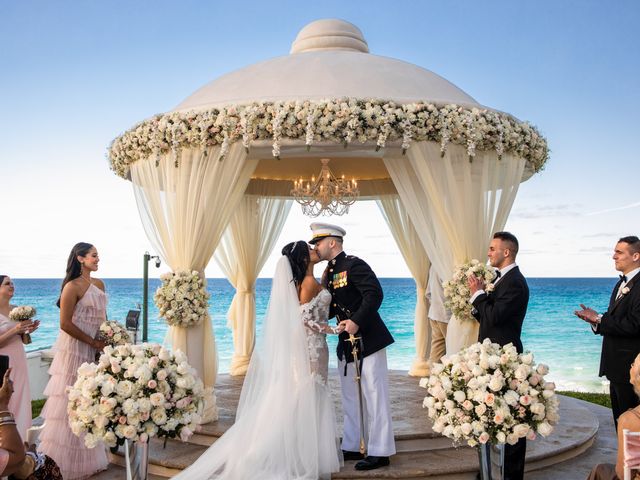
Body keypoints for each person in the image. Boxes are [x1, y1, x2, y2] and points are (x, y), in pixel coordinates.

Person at [172, 240, 342, 479]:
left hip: (310, 347)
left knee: (306, 394)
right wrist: (333, 330)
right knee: (308, 393)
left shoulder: (306, 282)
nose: (315, 251)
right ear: (304, 259)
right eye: (310, 250)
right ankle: (290, 452)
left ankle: (297, 449)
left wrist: (325, 282)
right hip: (312, 348)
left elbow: (309, 308)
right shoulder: (308, 282)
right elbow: (304, 319)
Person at [310, 222, 396, 471]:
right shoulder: (330, 271)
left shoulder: (354, 264)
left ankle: (380, 451)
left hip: (368, 339)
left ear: (333, 242)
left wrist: (357, 321)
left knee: (375, 395)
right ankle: (352, 444)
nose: (316, 246)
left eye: (319, 242)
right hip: (346, 343)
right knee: (350, 396)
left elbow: (374, 294)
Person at [38, 242, 108, 479]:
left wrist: (106, 340)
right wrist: (92, 342)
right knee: (70, 403)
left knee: (90, 402)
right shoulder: (71, 287)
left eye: (98, 256)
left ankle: (87, 459)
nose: (98, 259)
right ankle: (62, 464)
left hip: (94, 349)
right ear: (80, 258)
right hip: (75, 350)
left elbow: (103, 320)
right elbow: (65, 324)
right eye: (94, 255)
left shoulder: (99, 284)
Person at [468, 231, 529, 480]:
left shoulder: (514, 282)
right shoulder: (501, 278)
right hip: (493, 355)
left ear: (507, 252)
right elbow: (487, 316)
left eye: (493, 248)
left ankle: (512, 475)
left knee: (512, 419)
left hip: (506, 357)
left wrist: (478, 294)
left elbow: (494, 316)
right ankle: (491, 471)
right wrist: (479, 299)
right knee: (495, 415)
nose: (488, 253)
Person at [575, 235, 640, 428]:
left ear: (636, 256)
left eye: (619, 252)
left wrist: (600, 319)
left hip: (632, 370)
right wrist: (595, 321)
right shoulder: (620, 284)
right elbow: (619, 321)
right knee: (620, 423)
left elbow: (635, 324)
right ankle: (623, 458)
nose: (614, 256)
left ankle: (629, 459)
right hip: (616, 369)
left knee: (632, 427)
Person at [587, 352, 640, 480]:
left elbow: (623, 474)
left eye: (633, 364)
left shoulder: (630, 420)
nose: (630, 367)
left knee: (600, 470)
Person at [0, 275, 39, 439]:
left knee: (21, 398)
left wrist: (27, 331)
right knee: (6, 400)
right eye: (7, 283)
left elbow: (24, 341)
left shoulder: (15, 310)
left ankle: (22, 439)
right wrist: (15, 329)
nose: (12, 286)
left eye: (13, 283)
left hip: (19, 360)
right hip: (3, 362)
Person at [426, 267, 449, 369]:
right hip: (448, 316)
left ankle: (433, 380)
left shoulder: (434, 266)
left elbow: (428, 293)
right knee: (454, 350)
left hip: (434, 313)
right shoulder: (448, 264)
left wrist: (436, 304)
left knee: (436, 350)